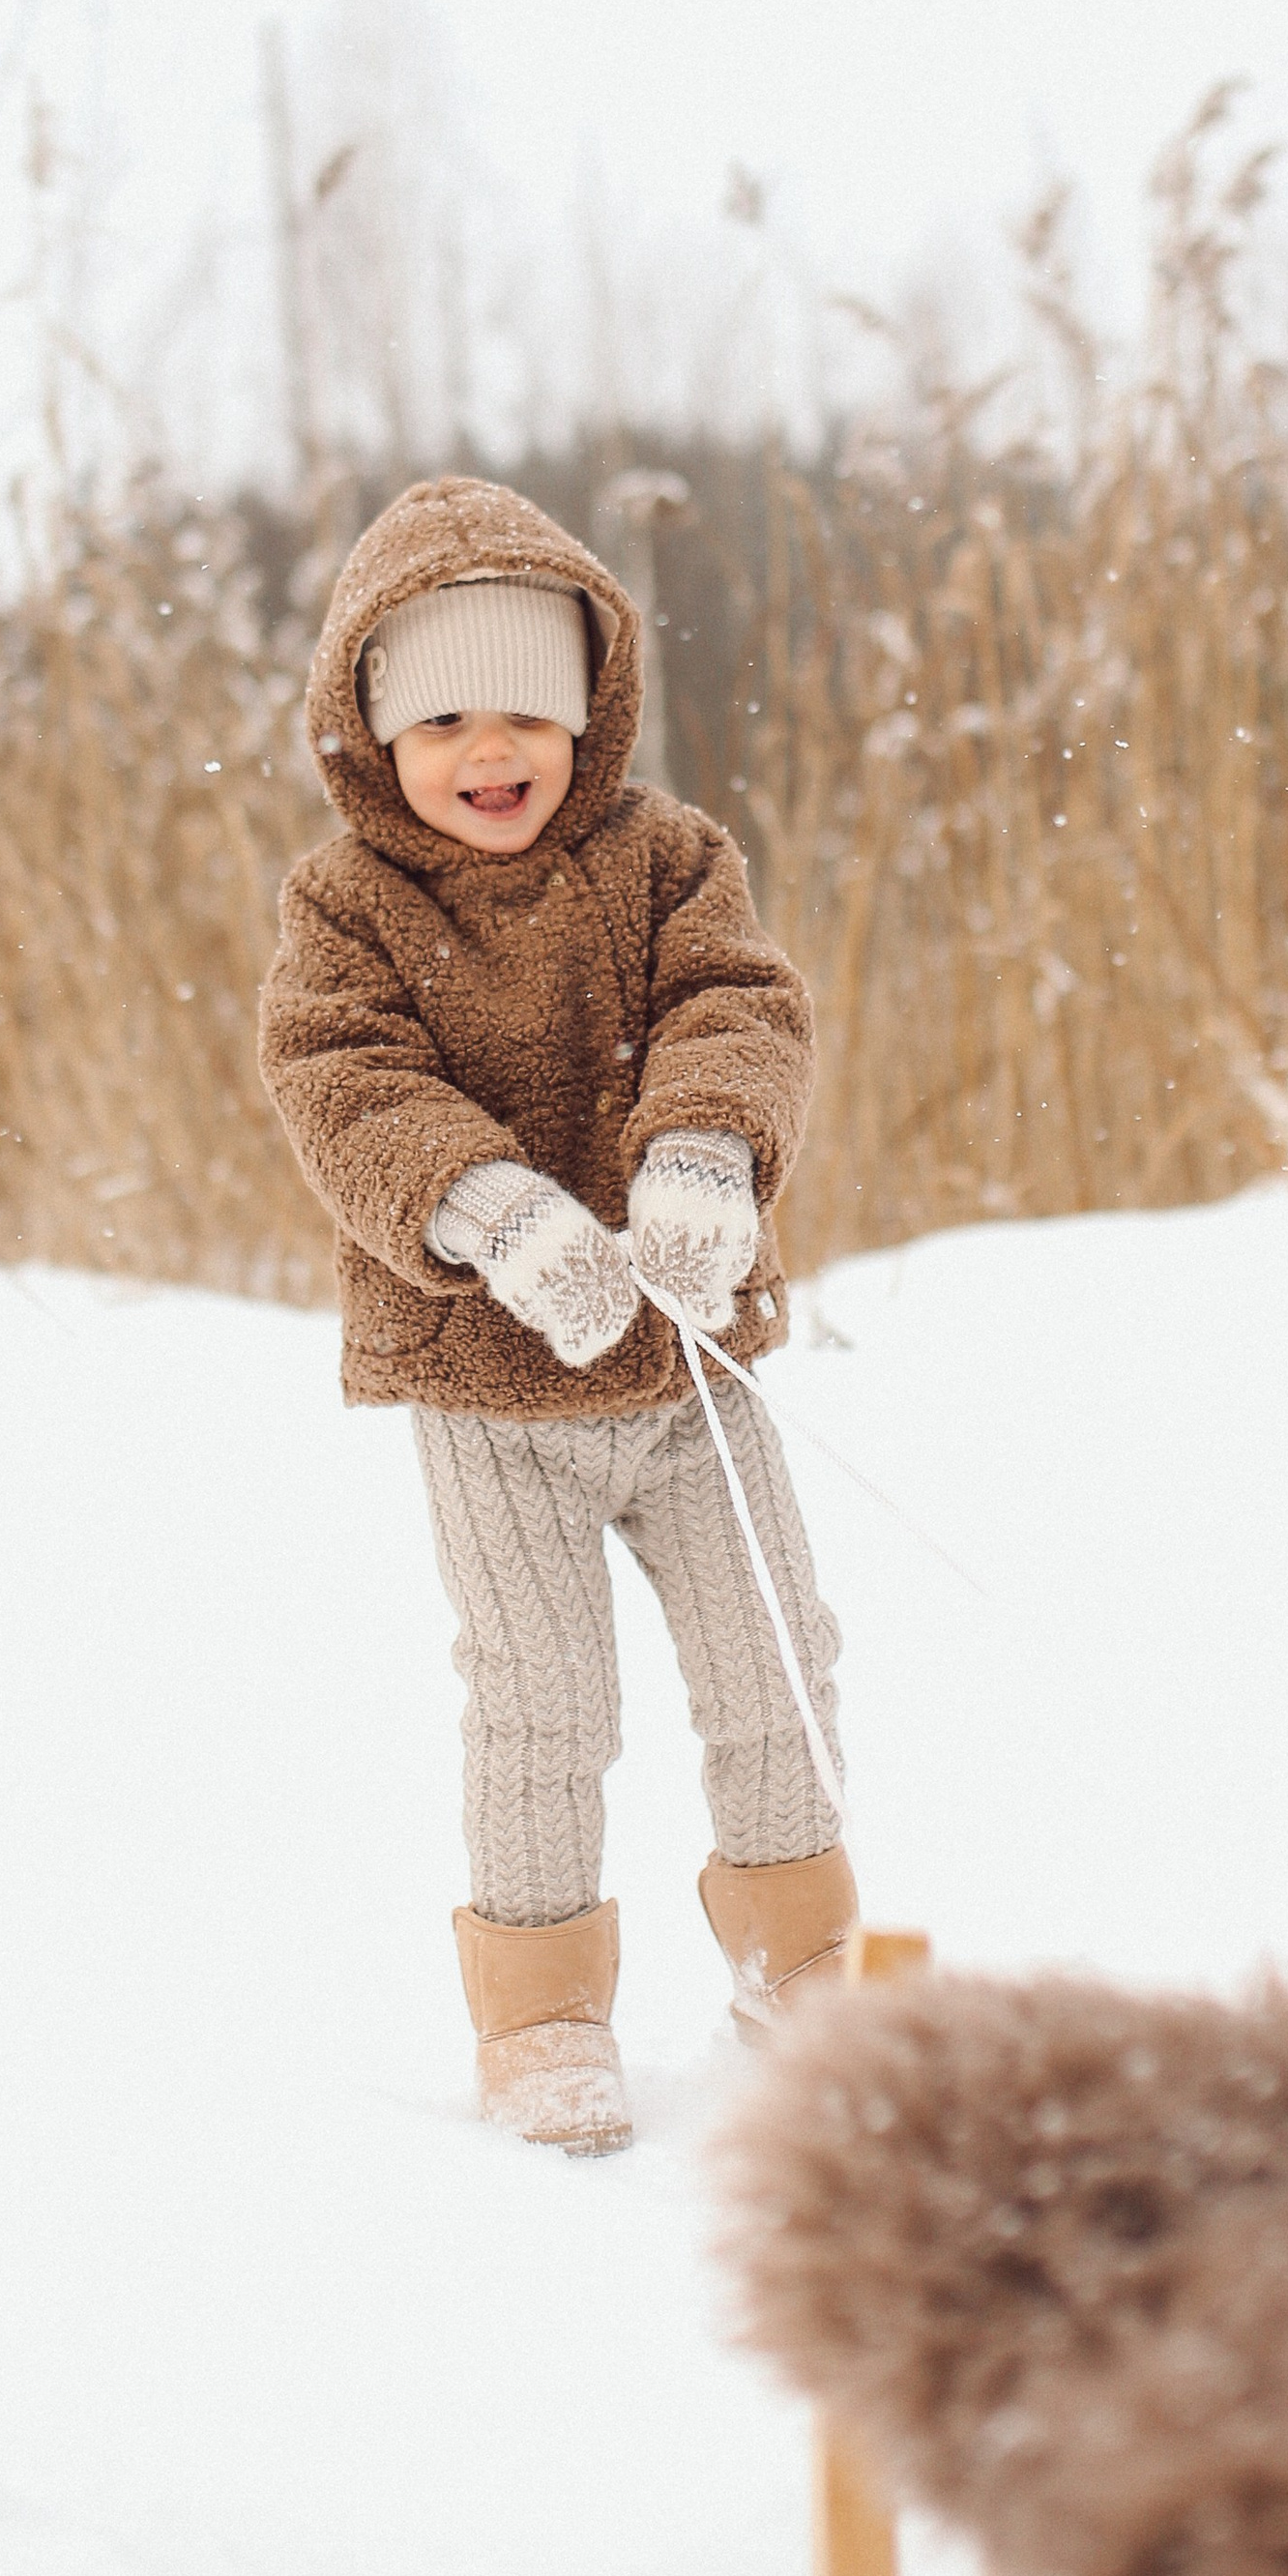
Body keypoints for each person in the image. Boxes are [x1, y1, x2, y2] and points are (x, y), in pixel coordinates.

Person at [258, 476, 854, 2156]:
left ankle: (800, 1955)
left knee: (771, 1656)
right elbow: (340, 1081)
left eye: (528, 708)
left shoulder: (669, 860)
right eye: (443, 715)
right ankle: (541, 2009)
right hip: (488, 1385)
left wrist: (703, 1155)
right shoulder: (347, 909)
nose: (489, 749)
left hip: (688, 1362)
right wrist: (489, 1206)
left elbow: (740, 1004)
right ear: (374, 733)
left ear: (590, 712)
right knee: (541, 1697)